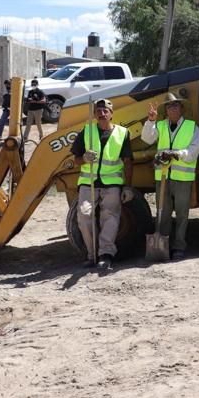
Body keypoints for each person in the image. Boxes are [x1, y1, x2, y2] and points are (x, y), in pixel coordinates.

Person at [70, 98, 135, 272]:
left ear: (111, 114)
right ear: (94, 115)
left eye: (105, 111)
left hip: (112, 184)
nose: (102, 113)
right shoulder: (86, 131)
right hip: (88, 183)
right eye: (98, 111)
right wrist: (84, 158)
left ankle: (106, 255)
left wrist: (128, 187)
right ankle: (92, 254)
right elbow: (76, 159)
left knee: (110, 217)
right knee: (84, 216)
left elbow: (128, 162)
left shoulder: (122, 133)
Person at [142, 93, 199, 260]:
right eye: (169, 106)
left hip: (182, 177)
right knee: (163, 212)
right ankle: (163, 244)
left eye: (175, 105)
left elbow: (193, 151)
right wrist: (150, 121)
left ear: (181, 108)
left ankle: (179, 247)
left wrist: (176, 154)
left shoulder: (192, 127)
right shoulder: (159, 125)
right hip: (162, 176)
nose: (172, 108)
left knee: (182, 213)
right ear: (166, 110)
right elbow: (147, 138)